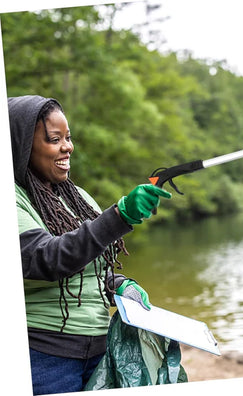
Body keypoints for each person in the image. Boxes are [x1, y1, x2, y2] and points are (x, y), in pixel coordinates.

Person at [8, 95, 172, 395]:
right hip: (45, 358)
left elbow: (90, 267)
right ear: (21, 146)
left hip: (98, 352)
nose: (67, 147)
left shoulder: (77, 197)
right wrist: (119, 215)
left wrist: (118, 285)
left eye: (68, 138)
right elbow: (46, 259)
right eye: (54, 139)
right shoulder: (11, 200)